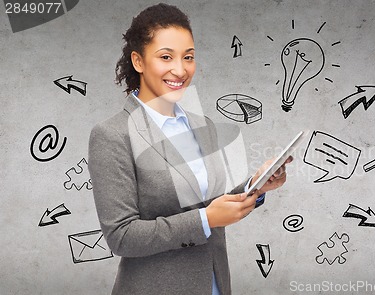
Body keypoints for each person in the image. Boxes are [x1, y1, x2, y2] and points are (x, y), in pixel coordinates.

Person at [88, 3, 292, 295]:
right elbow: (122, 236)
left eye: (189, 57)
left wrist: (255, 185)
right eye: (166, 57)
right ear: (138, 61)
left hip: (215, 284)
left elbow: (208, 203)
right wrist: (205, 220)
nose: (180, 69)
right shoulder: (112, 135)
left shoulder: (202, 125)